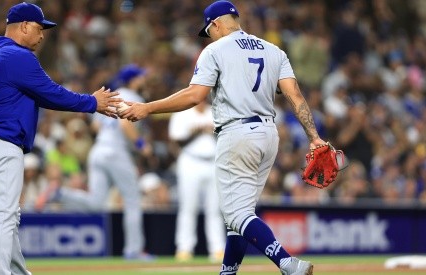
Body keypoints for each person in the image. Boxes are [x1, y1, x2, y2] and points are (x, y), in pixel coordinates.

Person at [120, 1, 323, 274]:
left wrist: (148, 107)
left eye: (209, 30)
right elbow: (295, 95)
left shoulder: (214, 50)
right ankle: (227, 272)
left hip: (237, 134)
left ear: (215, 24)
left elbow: (195, 95)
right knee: (238, 218)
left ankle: (287, 263)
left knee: (238, 215)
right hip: (268, 135)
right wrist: (314, 136)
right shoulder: (274, 51)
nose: (209, 36)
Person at [0, 2, 121, 275]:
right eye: (39, 29)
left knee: (7, 217)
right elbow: (51, 93)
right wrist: (91, 102)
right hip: (2, 143)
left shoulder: (0, 52)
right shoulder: (17, 55)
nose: (41, 36)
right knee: (3, 217)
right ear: (24, 26)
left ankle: (18, 272)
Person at [36, 64, 154, 260]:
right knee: (133, 200)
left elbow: (96, 126)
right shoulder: (134, 97)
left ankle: (58, 193)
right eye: (141, 77)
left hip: (98, 150)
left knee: (96, 203)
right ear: (133, 80)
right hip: (116, 151)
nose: (143, 80)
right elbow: (125, 124)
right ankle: (134, 250)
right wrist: (141, 144)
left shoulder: (113, 95)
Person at [168, 100, 226, 262]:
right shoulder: (182, 112)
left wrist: (211, 131)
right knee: (188, 207)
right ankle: (184, 249)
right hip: (190, 161)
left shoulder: (215, 111)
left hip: (214, 161)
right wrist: (198, 131)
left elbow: (226, 137)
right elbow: (177, 141)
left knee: (214, 209)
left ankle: (218, 249)